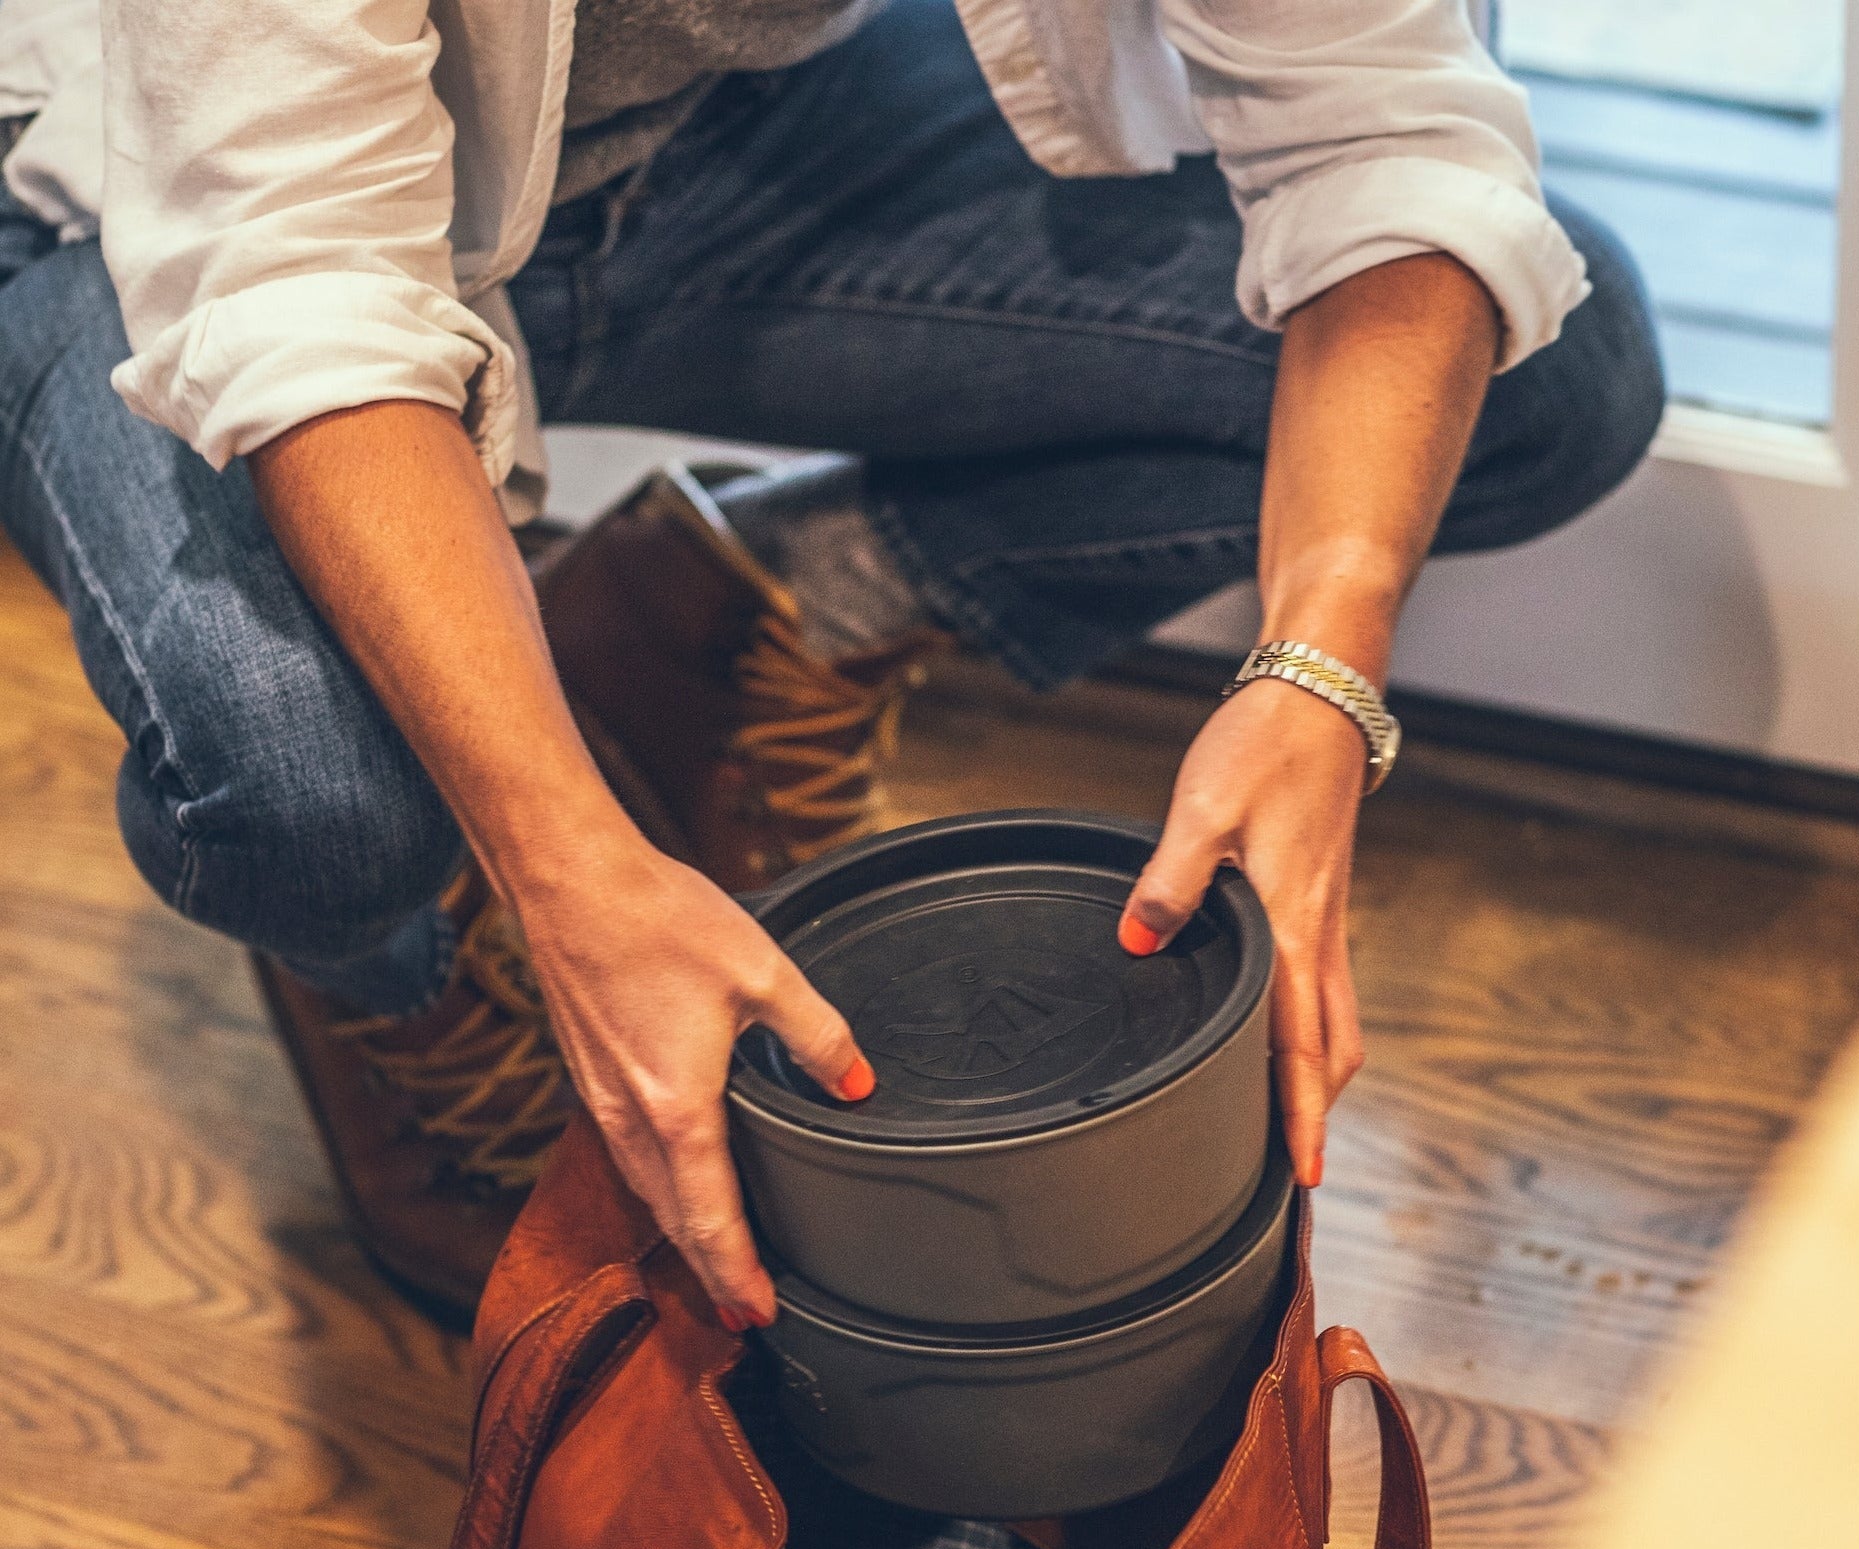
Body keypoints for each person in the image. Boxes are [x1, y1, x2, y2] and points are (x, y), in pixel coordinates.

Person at [0, 0, 1663, 1337]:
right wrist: (566, 871)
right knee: (307, 777)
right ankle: (405, 959)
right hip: (135, 203)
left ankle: (740, 603)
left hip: (719, 147)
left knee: (1542, 368)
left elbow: (1384, 123)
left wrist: (1318, 668)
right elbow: (298, 284)